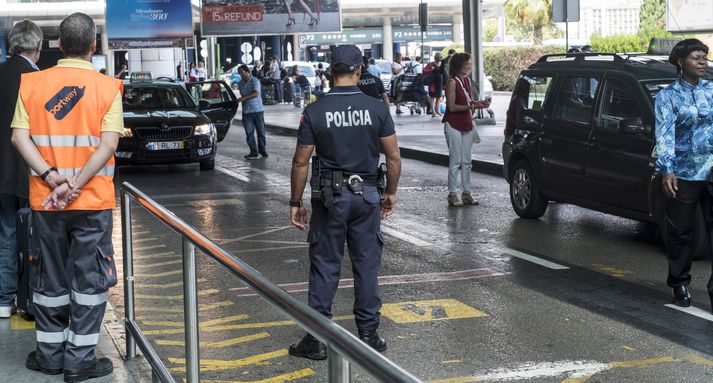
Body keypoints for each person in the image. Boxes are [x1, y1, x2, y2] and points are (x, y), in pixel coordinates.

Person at [11, 12, 123, 381]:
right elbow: (108, 145)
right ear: (93, 46)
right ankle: (79, 360)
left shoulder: (32, 84)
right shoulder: (108, 88)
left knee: (49, 279)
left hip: (46, 200)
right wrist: (75, 184)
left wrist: (51, 177)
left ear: (58, 44)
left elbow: (19, 138)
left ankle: (49, 355)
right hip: (91, 202)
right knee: (89, 282)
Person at [288, 44, 401, 360]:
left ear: (329, 72)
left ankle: (317, 338)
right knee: (367, 265)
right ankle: (368, 334)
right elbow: (393, 156)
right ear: (359, 70)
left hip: (330, 198)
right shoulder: (378, 108)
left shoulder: (315, 111)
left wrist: (296, 202)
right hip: (366, 196)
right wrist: (390, 193)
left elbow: (300, 162)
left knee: (325, 265)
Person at [654, 38, 713, 312]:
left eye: (705, 56)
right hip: (684, 173)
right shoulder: (667, 96)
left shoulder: (712, 90)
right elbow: (664, 134)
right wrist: (668, 169)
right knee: (681, 231)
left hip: (712, 170)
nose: (703, 61)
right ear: (681, 62)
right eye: (696, 57)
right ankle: (679, 281)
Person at [0, 20, 42, 320]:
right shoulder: (39, 80)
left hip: (1, 173)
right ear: (38, 48)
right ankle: (29, 299)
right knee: (33, 237)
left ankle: (4, 300)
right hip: (32, 172)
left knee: (6, 234)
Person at [442, 52, 490, 207]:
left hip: (467, 123)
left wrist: (477, 103)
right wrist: (473, 106)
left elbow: (468, 101)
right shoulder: (452, 82)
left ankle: (467, 192)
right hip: (453, 123)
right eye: (466, 64)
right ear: (458, 65)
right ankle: (452, 194)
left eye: (470, 64)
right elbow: (451, 107)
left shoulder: (467, 81)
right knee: (455, 160)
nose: (469, 67)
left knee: (467, 161)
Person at [236, 65, 268, 160]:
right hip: (246, 111)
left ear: (247, 71)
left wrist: (244, 98)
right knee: (249, 133)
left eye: (242, 72)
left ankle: (262, 150)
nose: (240, 74)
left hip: (257, 110)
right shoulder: (240, 83)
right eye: (239, 73)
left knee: (261, 132)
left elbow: (256, 93)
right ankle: (253, 152)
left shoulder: (255, 81)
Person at [424, 52, 445, 118]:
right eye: (439, 57)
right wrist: (430, 70)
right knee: (432, 97)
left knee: (439, 97)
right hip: (433, 83)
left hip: (440, 83)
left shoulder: (442, 64)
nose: (440, 58)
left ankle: (437, 110)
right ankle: (433, 111)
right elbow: (424, 70)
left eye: (441, 57)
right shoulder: (430, 64)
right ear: (436, 58)